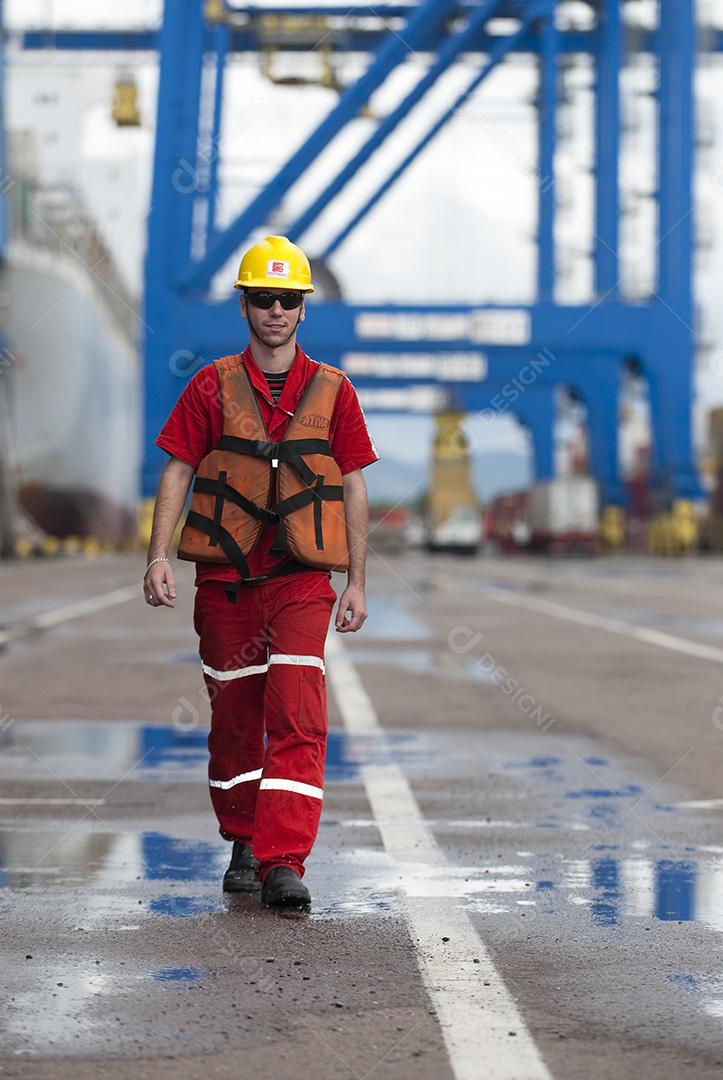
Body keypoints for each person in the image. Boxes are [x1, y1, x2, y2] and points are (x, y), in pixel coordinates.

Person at [143, 236, 379, 910]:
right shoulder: (209, 385)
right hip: (226, 582)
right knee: (236, 721)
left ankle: (285, 860)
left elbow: (354, 488)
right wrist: (158, 554)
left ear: (303, 310)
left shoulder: (334, 392)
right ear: (244, 305)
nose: (275, 310)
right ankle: (243, 840)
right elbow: (179, 469)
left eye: (288, 300)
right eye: (263, 298)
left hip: (302, 580)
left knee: (299, 713)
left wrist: (356, 581)